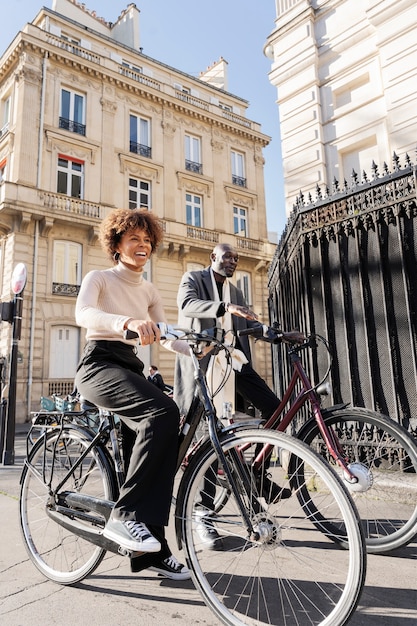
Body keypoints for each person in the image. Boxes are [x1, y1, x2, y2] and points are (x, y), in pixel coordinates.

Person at [75, 208, 190, 580]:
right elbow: (83, 313)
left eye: (147, 240)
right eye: (134, 239)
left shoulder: (150, 290)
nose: (143, 245)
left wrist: (205, 345)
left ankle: (153, 553)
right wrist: (124, 322)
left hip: (129, 368)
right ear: (117, 244)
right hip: (98, 365)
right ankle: (124, 517)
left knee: (160, 449)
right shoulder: (101, 278)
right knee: (164, 412)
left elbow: (166, 335)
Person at [174, 242, 289, 549]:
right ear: (212, 257)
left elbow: (248, 323)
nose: (233, 262)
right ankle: (202, 513)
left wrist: (277, 334)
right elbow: (187, 306)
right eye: (227, 257)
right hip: (205, 362)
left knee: (276, 410)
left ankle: (257, 473)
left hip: (234, 362)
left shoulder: (235, 292)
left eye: (236, 258)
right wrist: (223, 308)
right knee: (211, 438)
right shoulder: (193, 279)